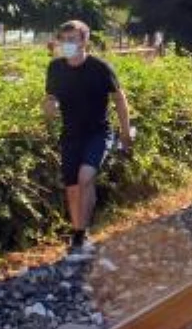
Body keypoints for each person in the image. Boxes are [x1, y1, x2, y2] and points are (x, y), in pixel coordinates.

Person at [43, 19, 132, 261]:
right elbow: (51, 97)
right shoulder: (55, 68)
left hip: (98, 133)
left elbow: (120, 100)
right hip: (70, 134)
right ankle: (79, 233)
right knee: (73, 188)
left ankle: (80, 236)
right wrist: (49, 107)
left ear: (84, 41)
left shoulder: (101, 68)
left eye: (72, 40)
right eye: (64, 40)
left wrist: (125, 132)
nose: (67, 44)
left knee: (85, 177)